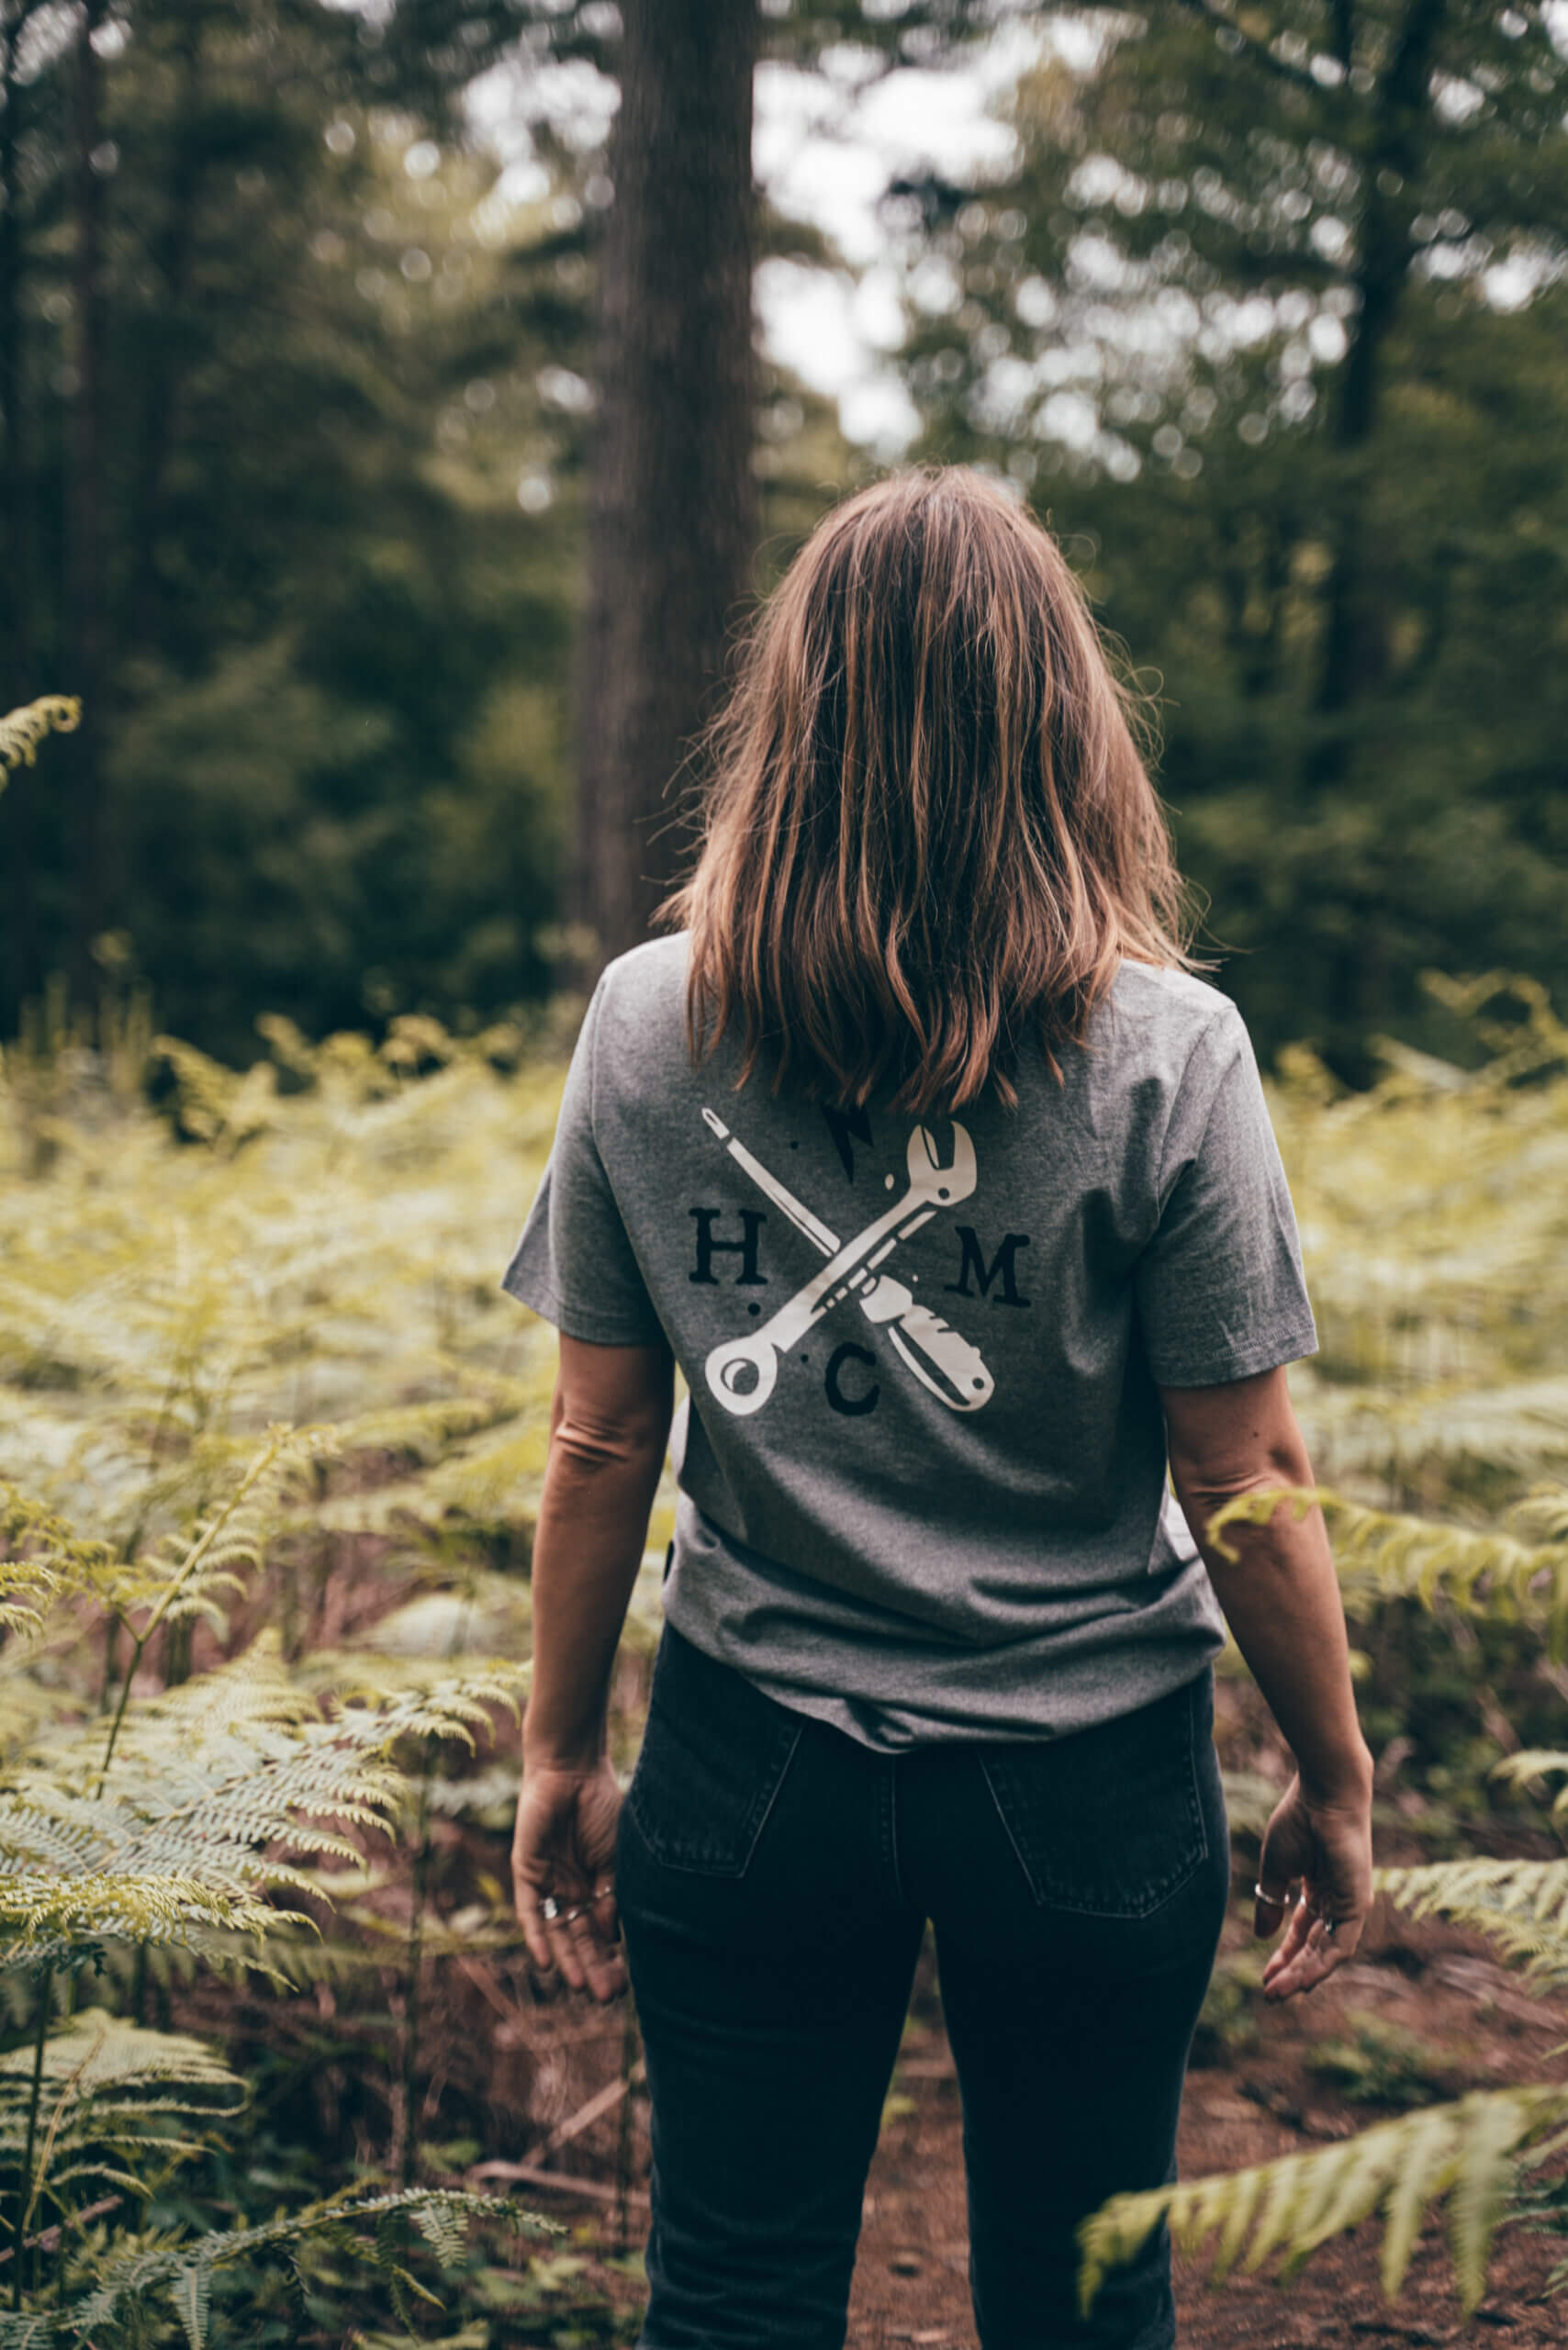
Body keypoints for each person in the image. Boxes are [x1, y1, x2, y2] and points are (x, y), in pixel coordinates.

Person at [500, 466, 1375, 2350]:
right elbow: (1243, 1468)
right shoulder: (1166, 1050)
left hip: (749, 1769)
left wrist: (557, 1746)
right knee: (1081, 2291)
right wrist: (1334, 1766)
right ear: (1061, 723)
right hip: (1089, 1782)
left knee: (730, 2288)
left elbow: (594, 1440)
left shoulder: (650, 1020)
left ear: (789, 721)